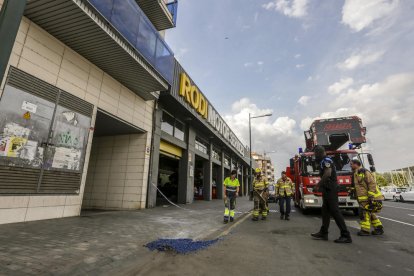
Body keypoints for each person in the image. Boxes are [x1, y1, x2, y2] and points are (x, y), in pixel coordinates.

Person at [311, 145, 352, 243]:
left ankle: (346, 235)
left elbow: (328, 173)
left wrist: (317, 185)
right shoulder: (323, 161)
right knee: (325, 211)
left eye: (316, 154)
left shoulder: (326, 160)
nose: (315, 156)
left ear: (320, 153)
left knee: (335, 211)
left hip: (331, 189)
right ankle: (323, 233)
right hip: (327, 189)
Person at [350, 158, 384, 236]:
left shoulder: (364, 172)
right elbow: (359, 186)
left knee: (363, 213)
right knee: (370, 213)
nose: (350, 166)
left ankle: (365, 230)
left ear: (356, 164)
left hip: (368, 198)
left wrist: (371, 196)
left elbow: (372, 183)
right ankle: (378, 228)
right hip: (363, 198)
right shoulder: (356, 173)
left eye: (351, 164)